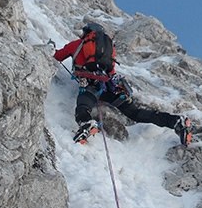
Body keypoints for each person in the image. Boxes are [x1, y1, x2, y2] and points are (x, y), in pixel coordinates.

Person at [53, 23, 192, 145]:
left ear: (87, 32)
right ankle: (175, 121)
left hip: (91, 85)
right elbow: (110, 71)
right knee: (135, 113)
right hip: (110, 87)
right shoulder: (107, 50)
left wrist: (51, 48)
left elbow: (57, 56)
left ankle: (86, 123)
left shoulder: (77, 44)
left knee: (84, 105)